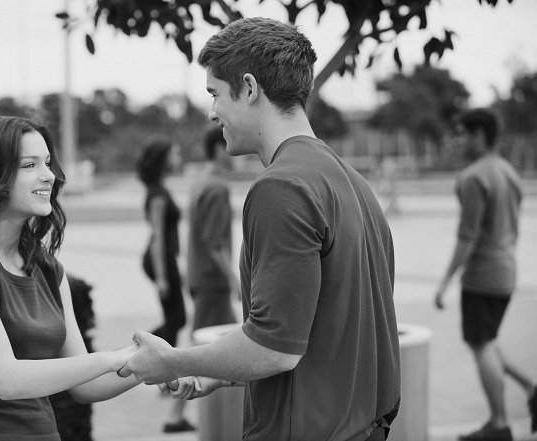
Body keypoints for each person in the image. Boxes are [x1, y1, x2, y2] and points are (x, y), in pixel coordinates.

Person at [119, 17, 401, 441]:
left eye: (215, 94)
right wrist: (214, 373)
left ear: (249, 88)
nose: (213, 112)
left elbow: (274, 349)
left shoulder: (281, 186)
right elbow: (315, 331)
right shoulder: (352, 181)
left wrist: (174, 361)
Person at [0, 116, 139, 441]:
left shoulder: (46, 269)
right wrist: (113, 358)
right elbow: (7, 380)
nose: (48, 175)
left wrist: (156, 364)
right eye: (29, 165)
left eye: (47, 163)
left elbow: (86, 385)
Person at [434, 108, 536, 441]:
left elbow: (468, 236)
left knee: (481, 346)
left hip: (482, 277)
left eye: (461, 133)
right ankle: (531, 388)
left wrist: (445, 282)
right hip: (506, 271)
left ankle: (499, 424)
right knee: (487, 342)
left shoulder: (474, 177)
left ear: (479, 135)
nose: (457, 140)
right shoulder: (508, 171)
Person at [136, 138, 193, 433]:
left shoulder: (160, 189)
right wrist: (161, 276)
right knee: (177, 319)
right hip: (159, 259)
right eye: (175, 152)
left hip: (166, 259)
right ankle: (141, 357)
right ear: (162, 159)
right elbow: (158, 235)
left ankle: (150, 363)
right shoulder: (157, 193)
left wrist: (177, 265)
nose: (178, 155)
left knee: (176, 319)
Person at [187, 125, 239, 332]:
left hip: (199, 275)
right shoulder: (217, 188)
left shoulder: (201, 181)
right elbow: (215, 243)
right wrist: (233, 279)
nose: (237, 155)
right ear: (220, 149)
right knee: (207, 345)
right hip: (213, 281)